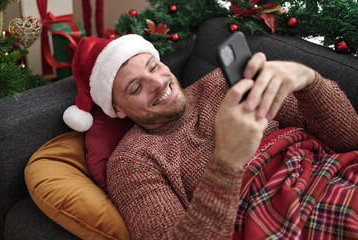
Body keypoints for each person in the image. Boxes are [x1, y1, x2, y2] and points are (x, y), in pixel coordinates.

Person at [63, 34, 358, 239]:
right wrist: (228, 161)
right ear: (118, 109)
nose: (157, 83)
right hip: (273, 216)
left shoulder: (221, 80)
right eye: (136, 88)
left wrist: (309, 81)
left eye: (154, 67)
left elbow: (350, 138)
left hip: (331, 174)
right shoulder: (132, 161)